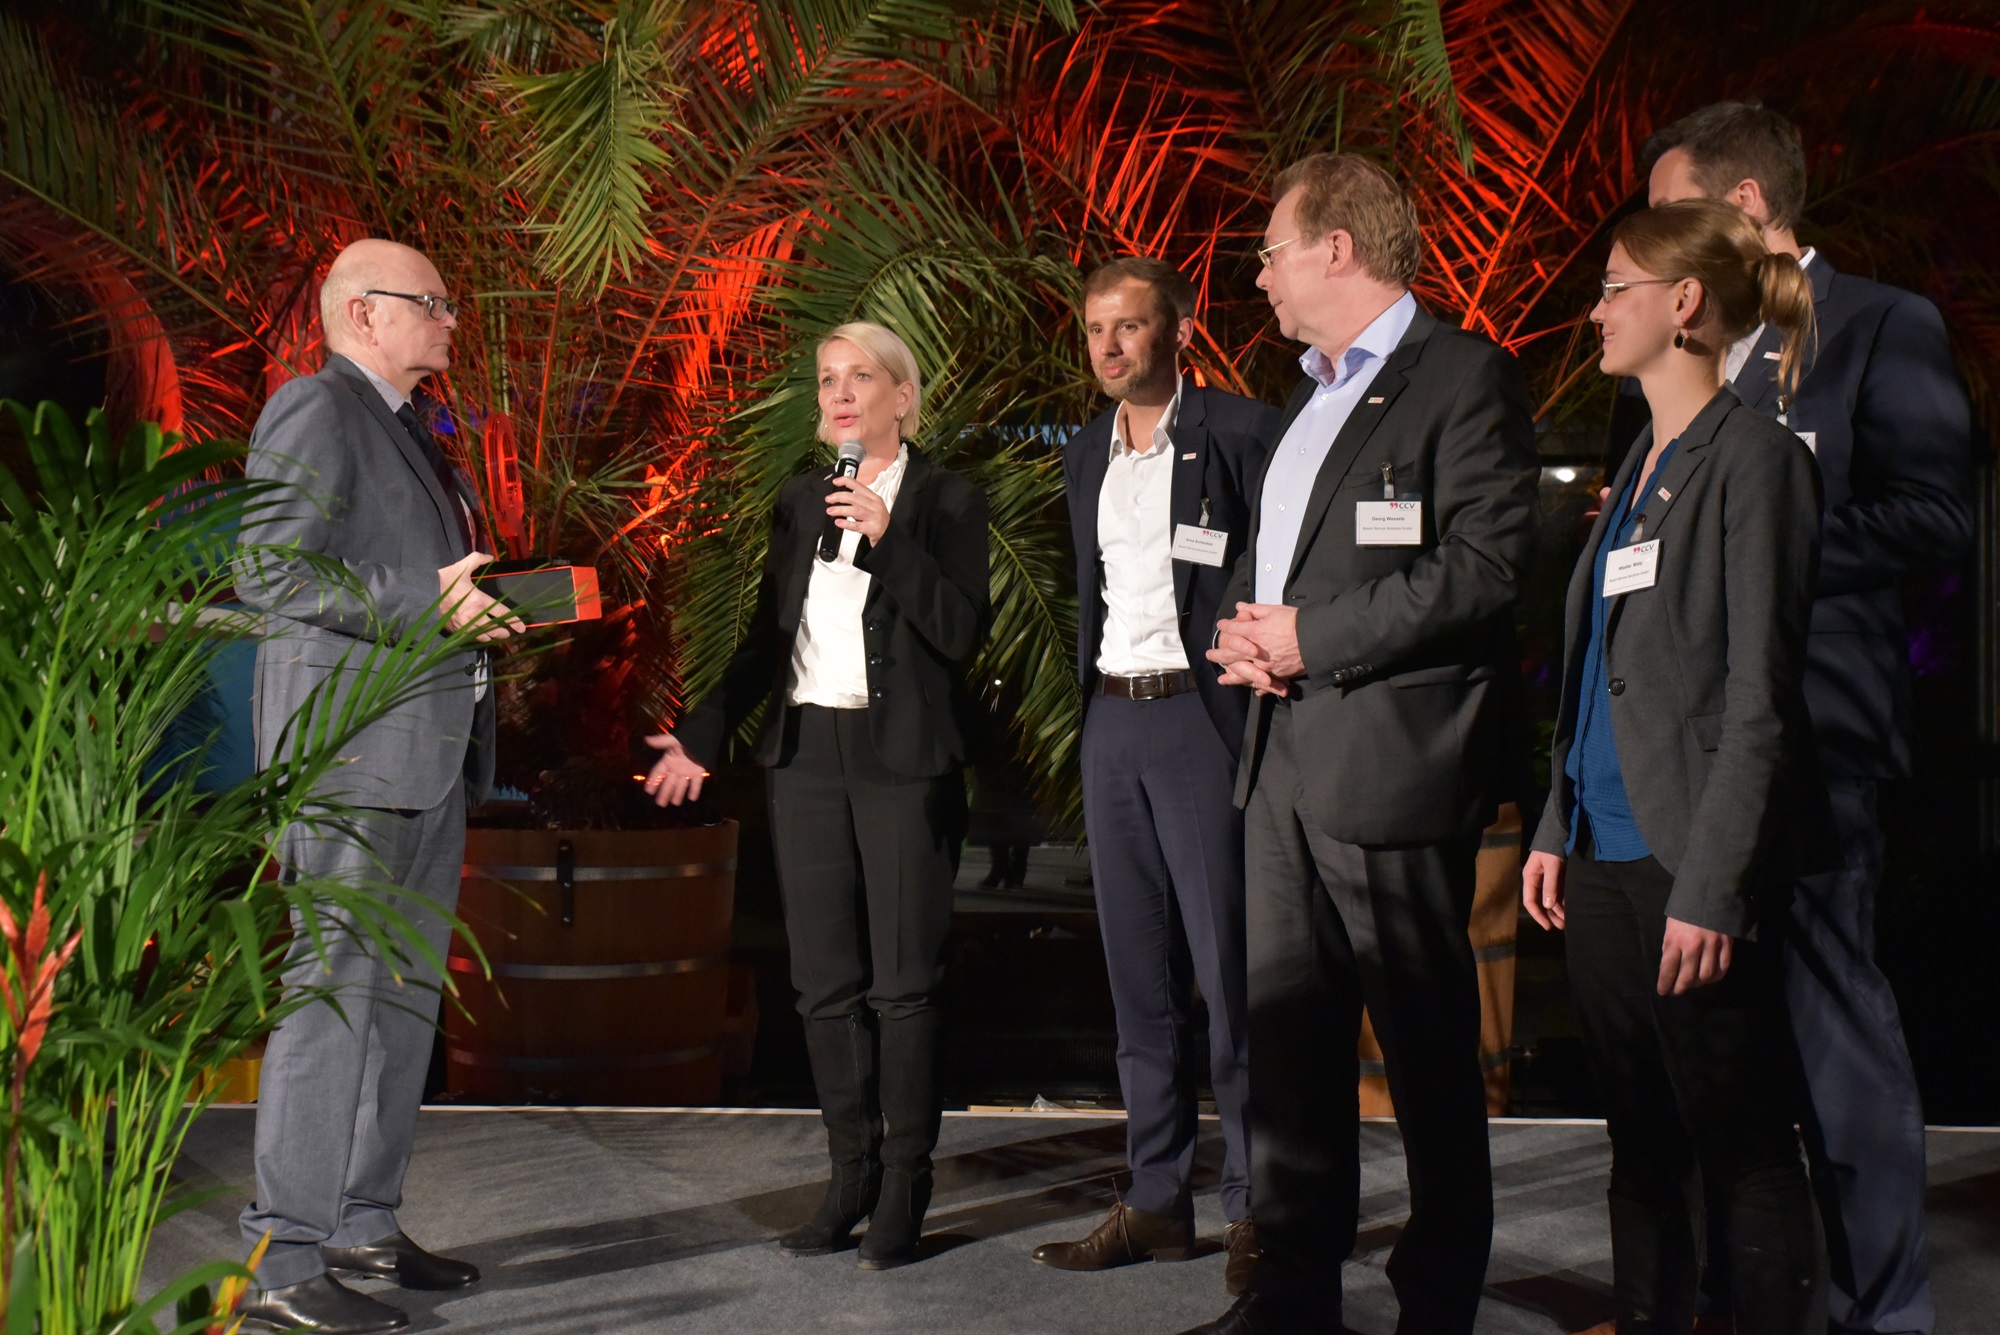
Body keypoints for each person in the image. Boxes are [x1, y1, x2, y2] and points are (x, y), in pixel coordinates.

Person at [1183, 153, 1540, 1335]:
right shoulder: (1308, 402)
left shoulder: (1462, 378)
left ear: (1337, 248)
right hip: (1279, 763)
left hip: (1389, 768)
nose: (1262, 276)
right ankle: (1290, 1296)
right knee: (1288, 1047)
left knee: (1429, 1061)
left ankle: (1433, 1305)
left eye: (1271, 251)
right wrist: (1242, 632)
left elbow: (1484, 573)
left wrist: (1308, 638)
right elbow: (1274, 566)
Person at [1642, 101, 1975, 1335]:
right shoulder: (1691, 350)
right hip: (1683, 745)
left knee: (1835, 1039)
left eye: (1674, 212)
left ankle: (1879, 1315)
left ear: (1740, 209)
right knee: (1722, 1058)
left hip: (1815, 742)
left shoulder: (1884, 325)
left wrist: (1768, 543)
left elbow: (1935, 522)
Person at [1524, 198, 1832, 1333]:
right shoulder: (1641, 459)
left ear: (1684, 303)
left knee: (1738, 1143)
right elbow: (1595, 667)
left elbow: (1757, 704)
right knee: (1637, 1140)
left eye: (1614, 287)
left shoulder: (1751, 462)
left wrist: (1709, 887)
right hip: (1603, 853)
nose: (1595, 310)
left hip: (1687, 861)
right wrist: (1556, 821)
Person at [643, 321, 989, 1270]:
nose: (839, 394)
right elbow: (765, 639)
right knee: (824, 985)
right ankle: (850, 1178)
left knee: (904, 985)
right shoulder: (801, 501)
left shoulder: (947, 499)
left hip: (901, 762)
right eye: (827, 379)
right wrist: (702, 735)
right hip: (805, 758)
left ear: (902, 398)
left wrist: (885, 540)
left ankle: (906, 1191)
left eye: (860, 378)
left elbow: (962, 631)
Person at [232, 238, 522, 1334]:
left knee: (399, 1003)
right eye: (431, 303)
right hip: (347, 756)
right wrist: (425, 602)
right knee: (332, 998)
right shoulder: (314, 405)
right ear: (362, 314)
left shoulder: (411, 430)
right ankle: (284, 1261)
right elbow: (269, 570)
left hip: (423, 755)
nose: (450, 319)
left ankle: (360, 1225)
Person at [1030, 257, 1277, 1293]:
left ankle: (1258, 1209)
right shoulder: (1085, 454)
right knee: (1137, 980)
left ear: (1177, 328)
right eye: (1095, 329)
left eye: (1129, 326)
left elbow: (1280, 569)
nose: (1109, 346)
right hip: (1112, 722)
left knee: (1227, 976)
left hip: (1197, 720)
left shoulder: (1237, 433)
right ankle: (1155, 1198)